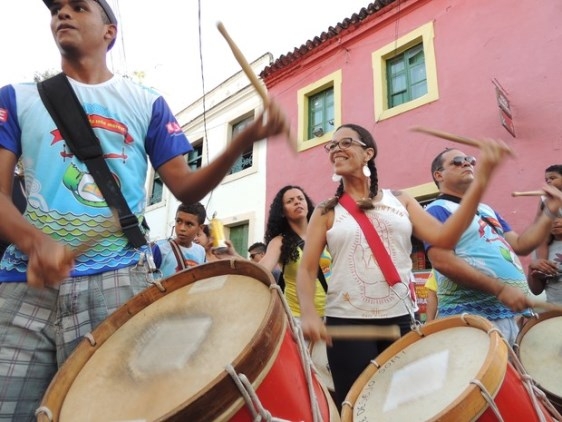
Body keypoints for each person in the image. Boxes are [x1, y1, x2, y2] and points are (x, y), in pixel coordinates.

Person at [0, 1, 290, 419]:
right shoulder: (17, 98)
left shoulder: (146, 102)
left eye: (78, 7)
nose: (63, 13)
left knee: (108, 412)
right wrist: (35, 241)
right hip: (23, 282)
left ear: (109, 32)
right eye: (57, 8)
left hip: (116, 280)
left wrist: (241, 141)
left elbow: (185, 185)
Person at [297, 123, 513, 409]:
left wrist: (481, 180)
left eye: (345, 142)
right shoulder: (326, 210)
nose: (336, 149)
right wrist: (310, 314)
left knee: (406, 407)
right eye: (332, 145)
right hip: (347, 324)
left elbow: (442, 237)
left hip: (401, 318)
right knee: (357, 406)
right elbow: (307, 268)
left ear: (368, 153)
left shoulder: (401, 200)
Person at [424, 148, 562, 346]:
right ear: (439, 175)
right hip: (472, 315)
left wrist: (549, 211)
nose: (467, 163)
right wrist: (498, 289)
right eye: (457, 161)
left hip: (505, 314)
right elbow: (442, 261)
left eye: (470, 160)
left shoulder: (486, 209)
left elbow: (521, 244)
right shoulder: (437, 210)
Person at [260, 185, 332, 317]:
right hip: (300, 317)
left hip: (332, 312)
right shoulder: (279, 242)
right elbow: (261, 270)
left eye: (300, 198)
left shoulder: (323, 234)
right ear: (282, 211)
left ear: (307, 204)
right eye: (290, 201)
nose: (297, 202)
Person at [151, 202, 206, 278]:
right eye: (179, 221)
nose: (182, 228)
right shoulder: (160, 249)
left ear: (200, 228)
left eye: (189, 224)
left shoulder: (201, 251)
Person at [527, 217, 562, 305]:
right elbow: (536, 291)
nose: (555, 220)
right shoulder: (542, 250)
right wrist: (533, 272)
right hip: (555, 310)